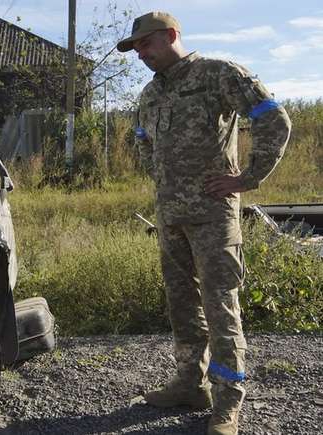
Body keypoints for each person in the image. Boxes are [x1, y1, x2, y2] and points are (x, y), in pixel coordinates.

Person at [116, 11, 292, 435]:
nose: (140, 53)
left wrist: (246, 178)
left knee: (220, 308)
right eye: (136, 47)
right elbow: (142, 139)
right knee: (183, 307)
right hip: (170, 216)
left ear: (172, 35)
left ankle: (227, 404)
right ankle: (189, 384)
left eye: (146, 44)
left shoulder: (217, 75)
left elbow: (274, 118)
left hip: (213, 216)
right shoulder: (150, 93)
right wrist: (163, 180)